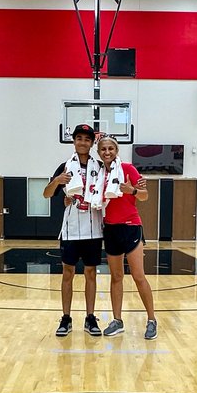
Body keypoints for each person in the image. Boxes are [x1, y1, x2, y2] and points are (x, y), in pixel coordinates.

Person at [42, 123, 104, 337]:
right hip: (71, 229)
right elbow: (47, 194)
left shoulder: (101, 167)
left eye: (87, 139)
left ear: (92, 142)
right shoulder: (65, 167)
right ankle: (66, 317)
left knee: (91, 273)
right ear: (74, 141)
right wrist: (57, 181)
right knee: (67, 273)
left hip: (94, 229)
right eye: (79, 138)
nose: (83, 142)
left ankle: (90, 317)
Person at [96, 135, 157, 339]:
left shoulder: (128, 169)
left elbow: (144, 195)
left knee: (138, 276)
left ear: (116, 150)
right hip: (110, 228)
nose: (107, 152)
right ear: (99, 152)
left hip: (131, 226)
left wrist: (131, 190)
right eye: (103, 149)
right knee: (116, 277)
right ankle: (117, 320)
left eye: (110, 149)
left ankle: (151, 320)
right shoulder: (97, 173)